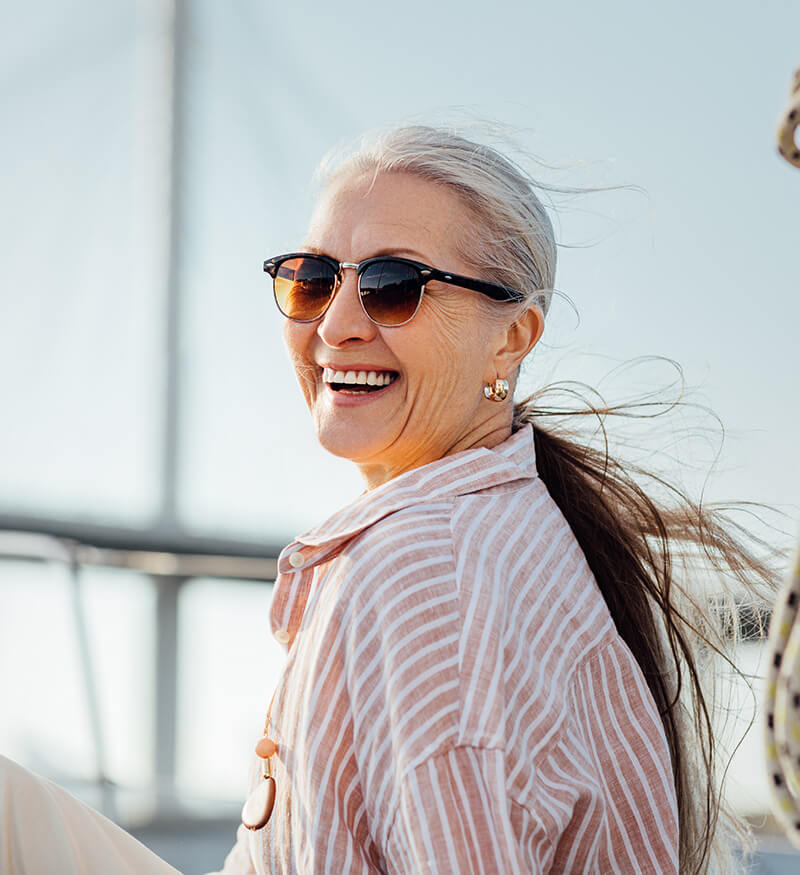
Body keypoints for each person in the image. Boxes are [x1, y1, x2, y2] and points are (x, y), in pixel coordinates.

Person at [0, 125, 774, 874]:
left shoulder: (422, 573)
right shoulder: (507, 526)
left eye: (392, 286)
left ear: (511, 338)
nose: (335, 325)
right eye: (311, 278)